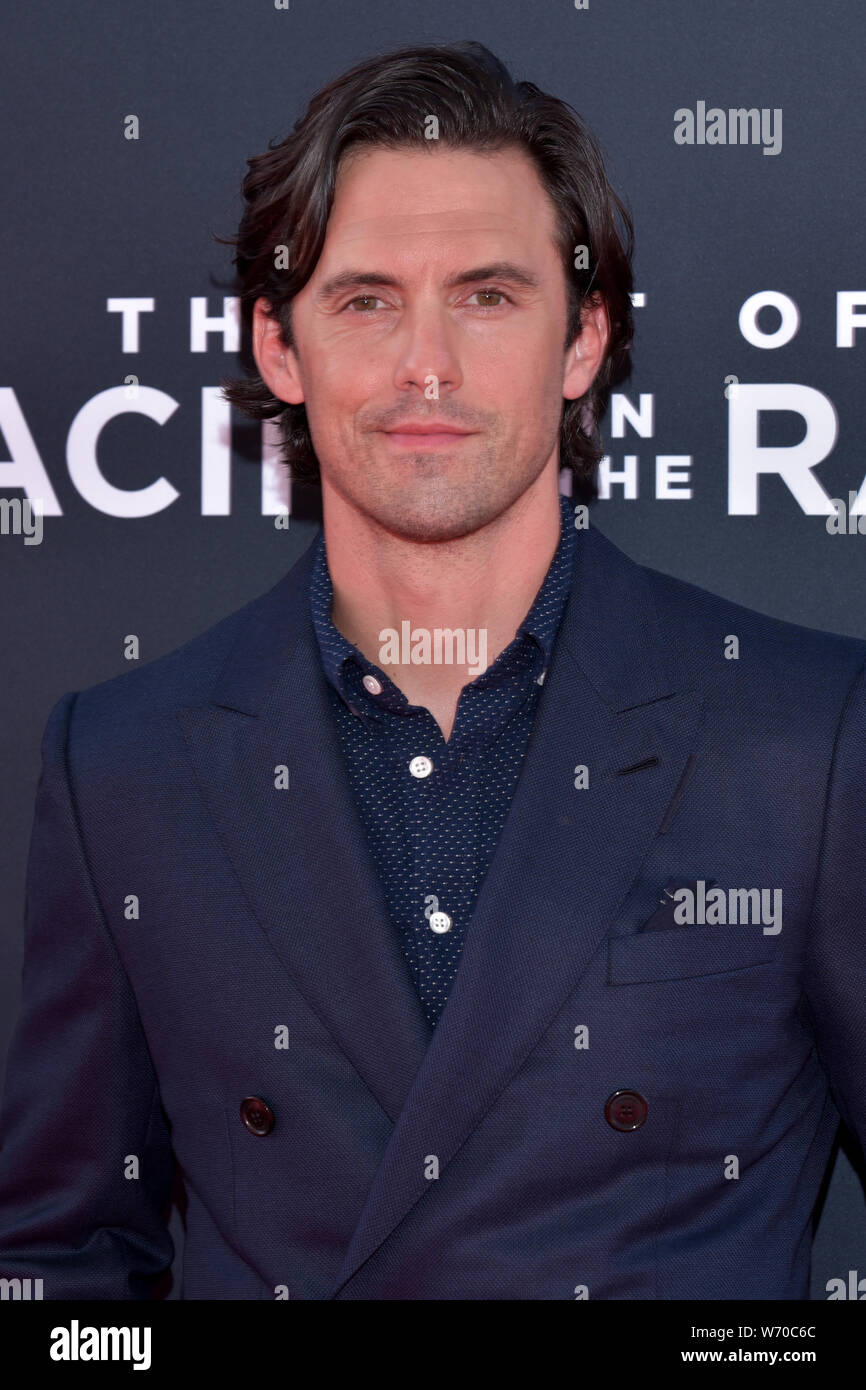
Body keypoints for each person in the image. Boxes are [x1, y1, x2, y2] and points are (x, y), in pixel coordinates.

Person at [0, 40, 864, 1301]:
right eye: (364, 299)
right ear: (280, 351)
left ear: (580, 346)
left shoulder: (808, 736)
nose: (425, 366)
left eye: (487, 294)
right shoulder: (123, 762)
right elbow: (59, 1268)